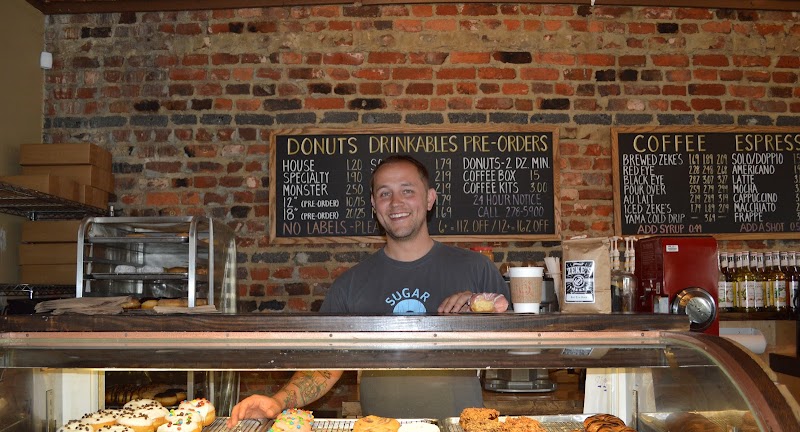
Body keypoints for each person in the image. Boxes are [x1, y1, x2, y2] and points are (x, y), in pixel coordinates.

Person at [227, 155, 509, 427]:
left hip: (461, 428)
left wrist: (480, 310)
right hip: (380, 428)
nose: (396, 202)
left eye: (407, 190)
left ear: (430, 198)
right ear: (374, 204)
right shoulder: (350, 284)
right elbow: (325, 365)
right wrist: (276, 402)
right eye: (385, 193)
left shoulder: (476, 269)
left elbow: (518, 354)